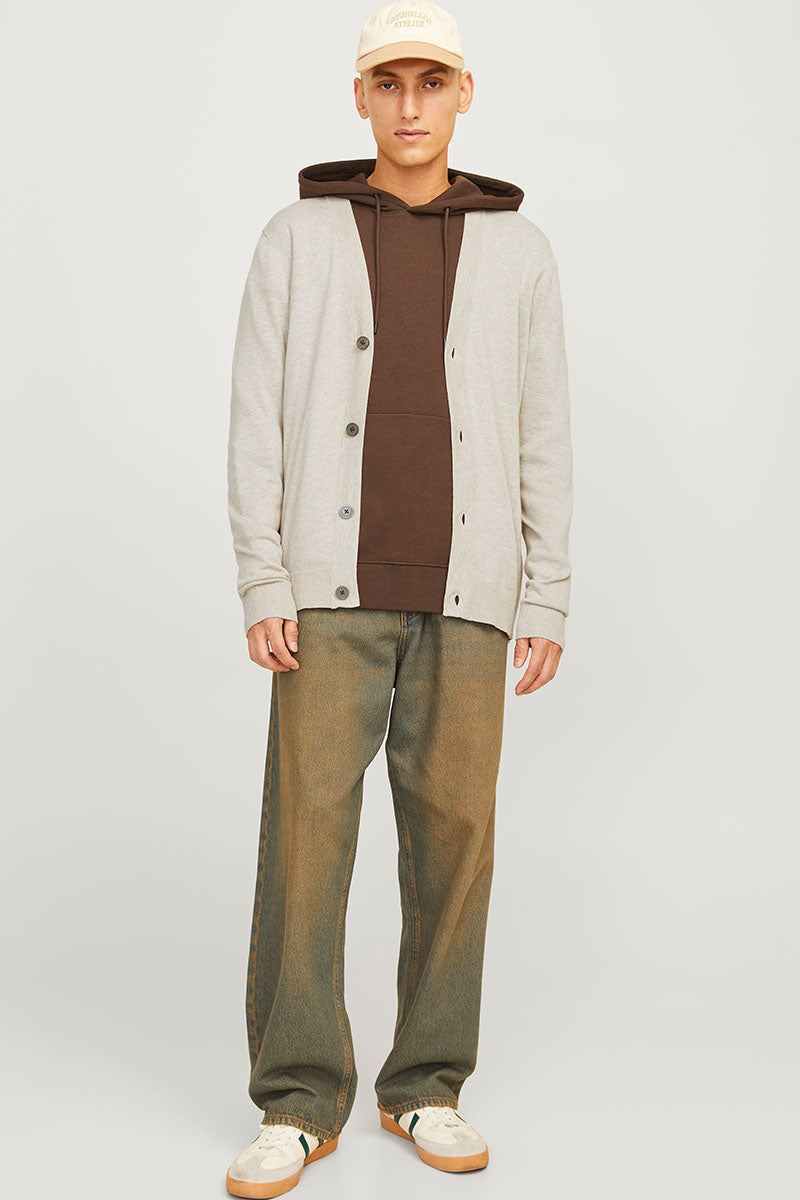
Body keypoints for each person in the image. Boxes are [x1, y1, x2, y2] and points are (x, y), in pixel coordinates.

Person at [224, 1, 573, 1194]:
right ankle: (295, 1099)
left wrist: (547, 592)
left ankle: (425, 1086)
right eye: (389, 84)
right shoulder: (295, 237)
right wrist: (262, 574)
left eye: (431, 83)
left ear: (463, 93)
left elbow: (543, 428)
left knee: (454, 844)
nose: (410, 105)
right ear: (360, 97)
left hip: (470, 596)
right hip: (327, 596)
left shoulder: (520, 251)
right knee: (305, 843)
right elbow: (254, 419)